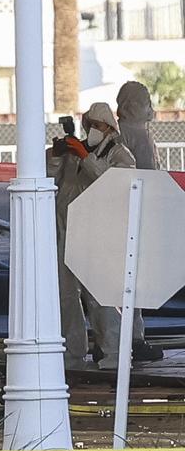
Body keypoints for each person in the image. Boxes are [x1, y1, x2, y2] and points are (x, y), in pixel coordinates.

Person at [48, 103, 135, 370]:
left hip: (98, 234)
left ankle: (115, 353)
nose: (92, 130)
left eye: (98, 125)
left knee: (100, 296)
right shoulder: (76, 152)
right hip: (67, 228)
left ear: (110, 127)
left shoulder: (120, 155)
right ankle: (71, 353)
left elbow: (112, 184)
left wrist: (85, 155)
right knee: (66, 296)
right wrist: (57, 153)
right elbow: (52, 176)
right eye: (90, 125)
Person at [115, 81, 162, 362]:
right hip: (135, 214)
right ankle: (134, 338)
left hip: (119, 212)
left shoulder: (119, 134)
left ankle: (115, 336)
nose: (152, 110)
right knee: (134, 279)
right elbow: (149, 177)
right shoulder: (138, 136)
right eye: (146, 104)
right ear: (133, 107)